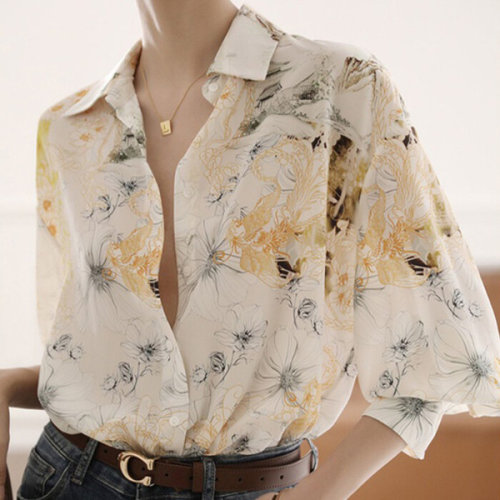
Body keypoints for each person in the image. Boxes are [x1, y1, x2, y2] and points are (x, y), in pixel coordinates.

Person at [2, 1, 500, 499]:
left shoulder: (339, 87)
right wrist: (5, 385)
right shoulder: (71, 129)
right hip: (68, 478)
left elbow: (439, 356)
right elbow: (97, 364)